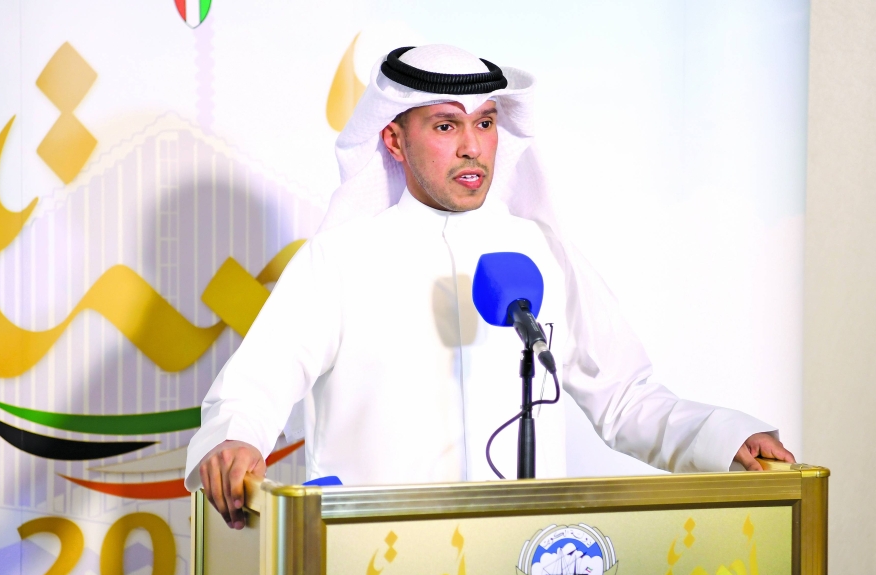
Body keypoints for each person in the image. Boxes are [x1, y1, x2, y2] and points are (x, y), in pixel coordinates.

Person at [185, 44, 795, 529]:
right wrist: (235, 440)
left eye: (484, 123)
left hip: (522, 571)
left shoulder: (541, 253)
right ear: (393, 140)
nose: (473, 147)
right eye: (445, 126)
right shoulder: (340, 260)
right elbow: (255, 385)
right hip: (376, 572)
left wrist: (724, 437)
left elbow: (625, 399)